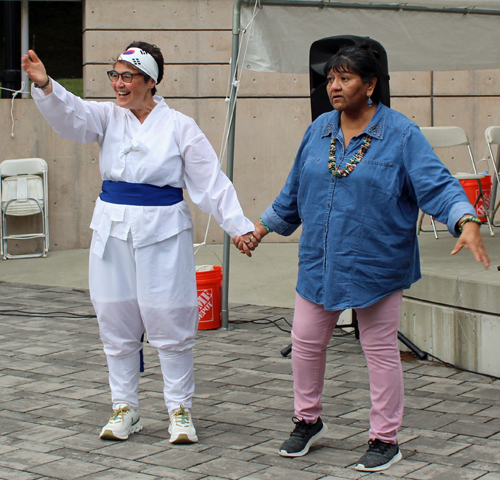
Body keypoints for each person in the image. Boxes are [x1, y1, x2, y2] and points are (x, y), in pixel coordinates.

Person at [234, 44, 490, 472]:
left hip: (377, 262)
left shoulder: (402, 134)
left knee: (379, 350)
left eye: (346, 78)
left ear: (370, 85)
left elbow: (438, 186)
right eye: (331, 78)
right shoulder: (318, 130)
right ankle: (307, 420)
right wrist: (259, 230)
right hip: (320, 260)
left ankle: (384, 439)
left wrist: (466, 220)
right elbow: (293, 192)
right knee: (305, 343)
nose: (334, 86)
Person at [22, 41, 259, 444]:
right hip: (113, 227)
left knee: (169, 316)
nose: (118, 83)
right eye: (114, 75)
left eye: (127, 76)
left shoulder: (180, 126)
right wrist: (46, 85)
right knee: (114, 316)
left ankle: (179, 410)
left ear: (151, 82)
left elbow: (209, 181)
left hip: (163, 229)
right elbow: (72, 115)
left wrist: (237, 226)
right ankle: (124, 407)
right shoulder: (107, 117)